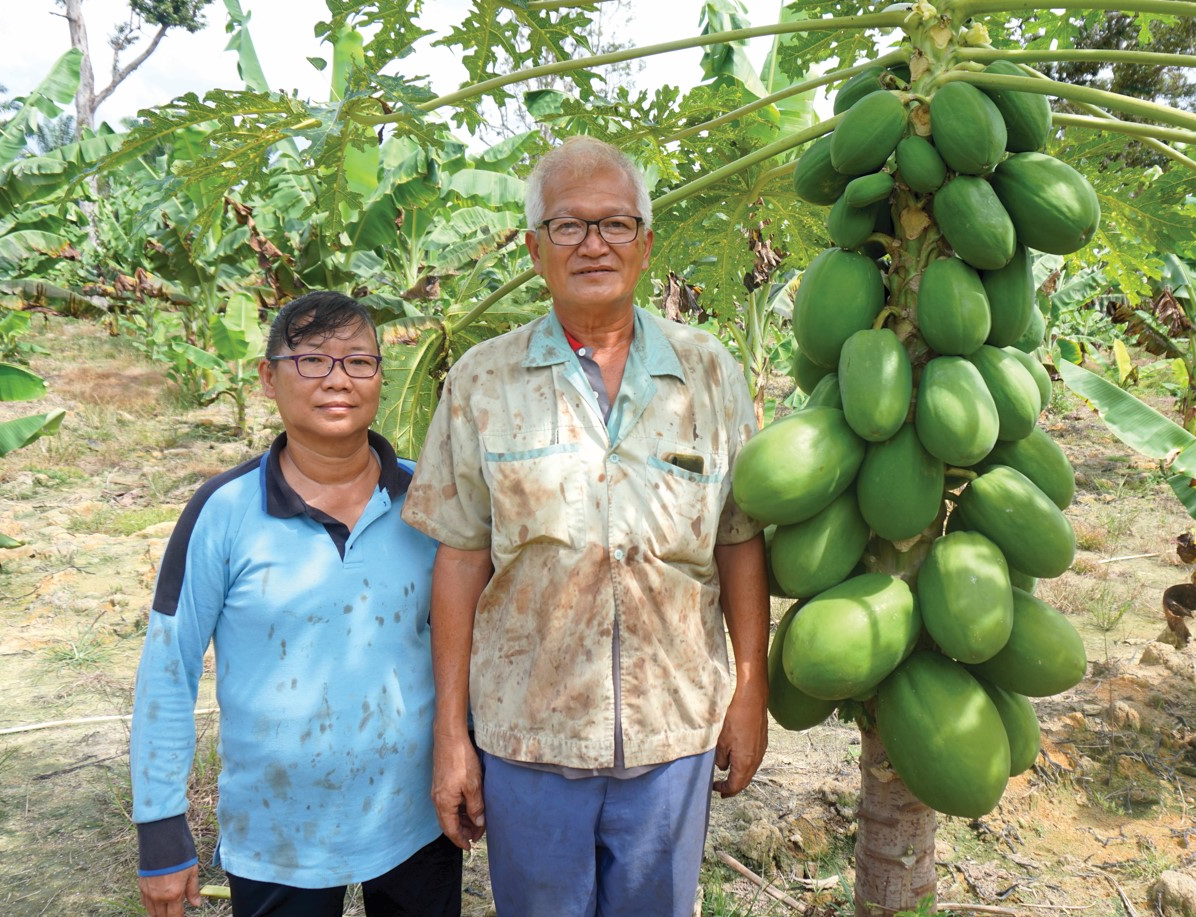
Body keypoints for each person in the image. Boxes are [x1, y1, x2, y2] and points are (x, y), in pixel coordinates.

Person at [402, 136, 770, 916]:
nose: (593, 243)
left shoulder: (710, 371)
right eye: (569, 226)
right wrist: (451, 735)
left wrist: (750, 688)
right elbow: (460, 557)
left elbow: (739, 537)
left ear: (644, 243)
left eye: (614, 224)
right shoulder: (482, 380)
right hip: (529, 736)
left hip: (673, 733)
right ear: (536, 248)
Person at [129, 291, 461, 917]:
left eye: (358, 362)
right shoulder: (222, 513)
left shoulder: (429, 501)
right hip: (278, 831)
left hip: (414, 818)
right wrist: (161, 832)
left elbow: (468, 641)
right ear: (268, 377)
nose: (338, 379)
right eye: (311, 360)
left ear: (380, 378)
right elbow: (168, 670)